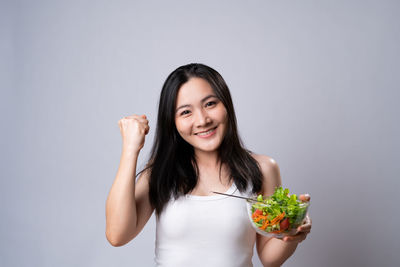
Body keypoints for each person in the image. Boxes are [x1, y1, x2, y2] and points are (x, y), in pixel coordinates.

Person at [105, 63, 312, 267]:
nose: (202, 120)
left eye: (210, 104)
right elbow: (117, 235)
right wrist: (131, 149)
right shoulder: (159, 172)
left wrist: (291, 234)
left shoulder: (263, 169)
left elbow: (269, 258)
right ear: (173, 122)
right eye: (186, 112)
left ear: (226, 105)